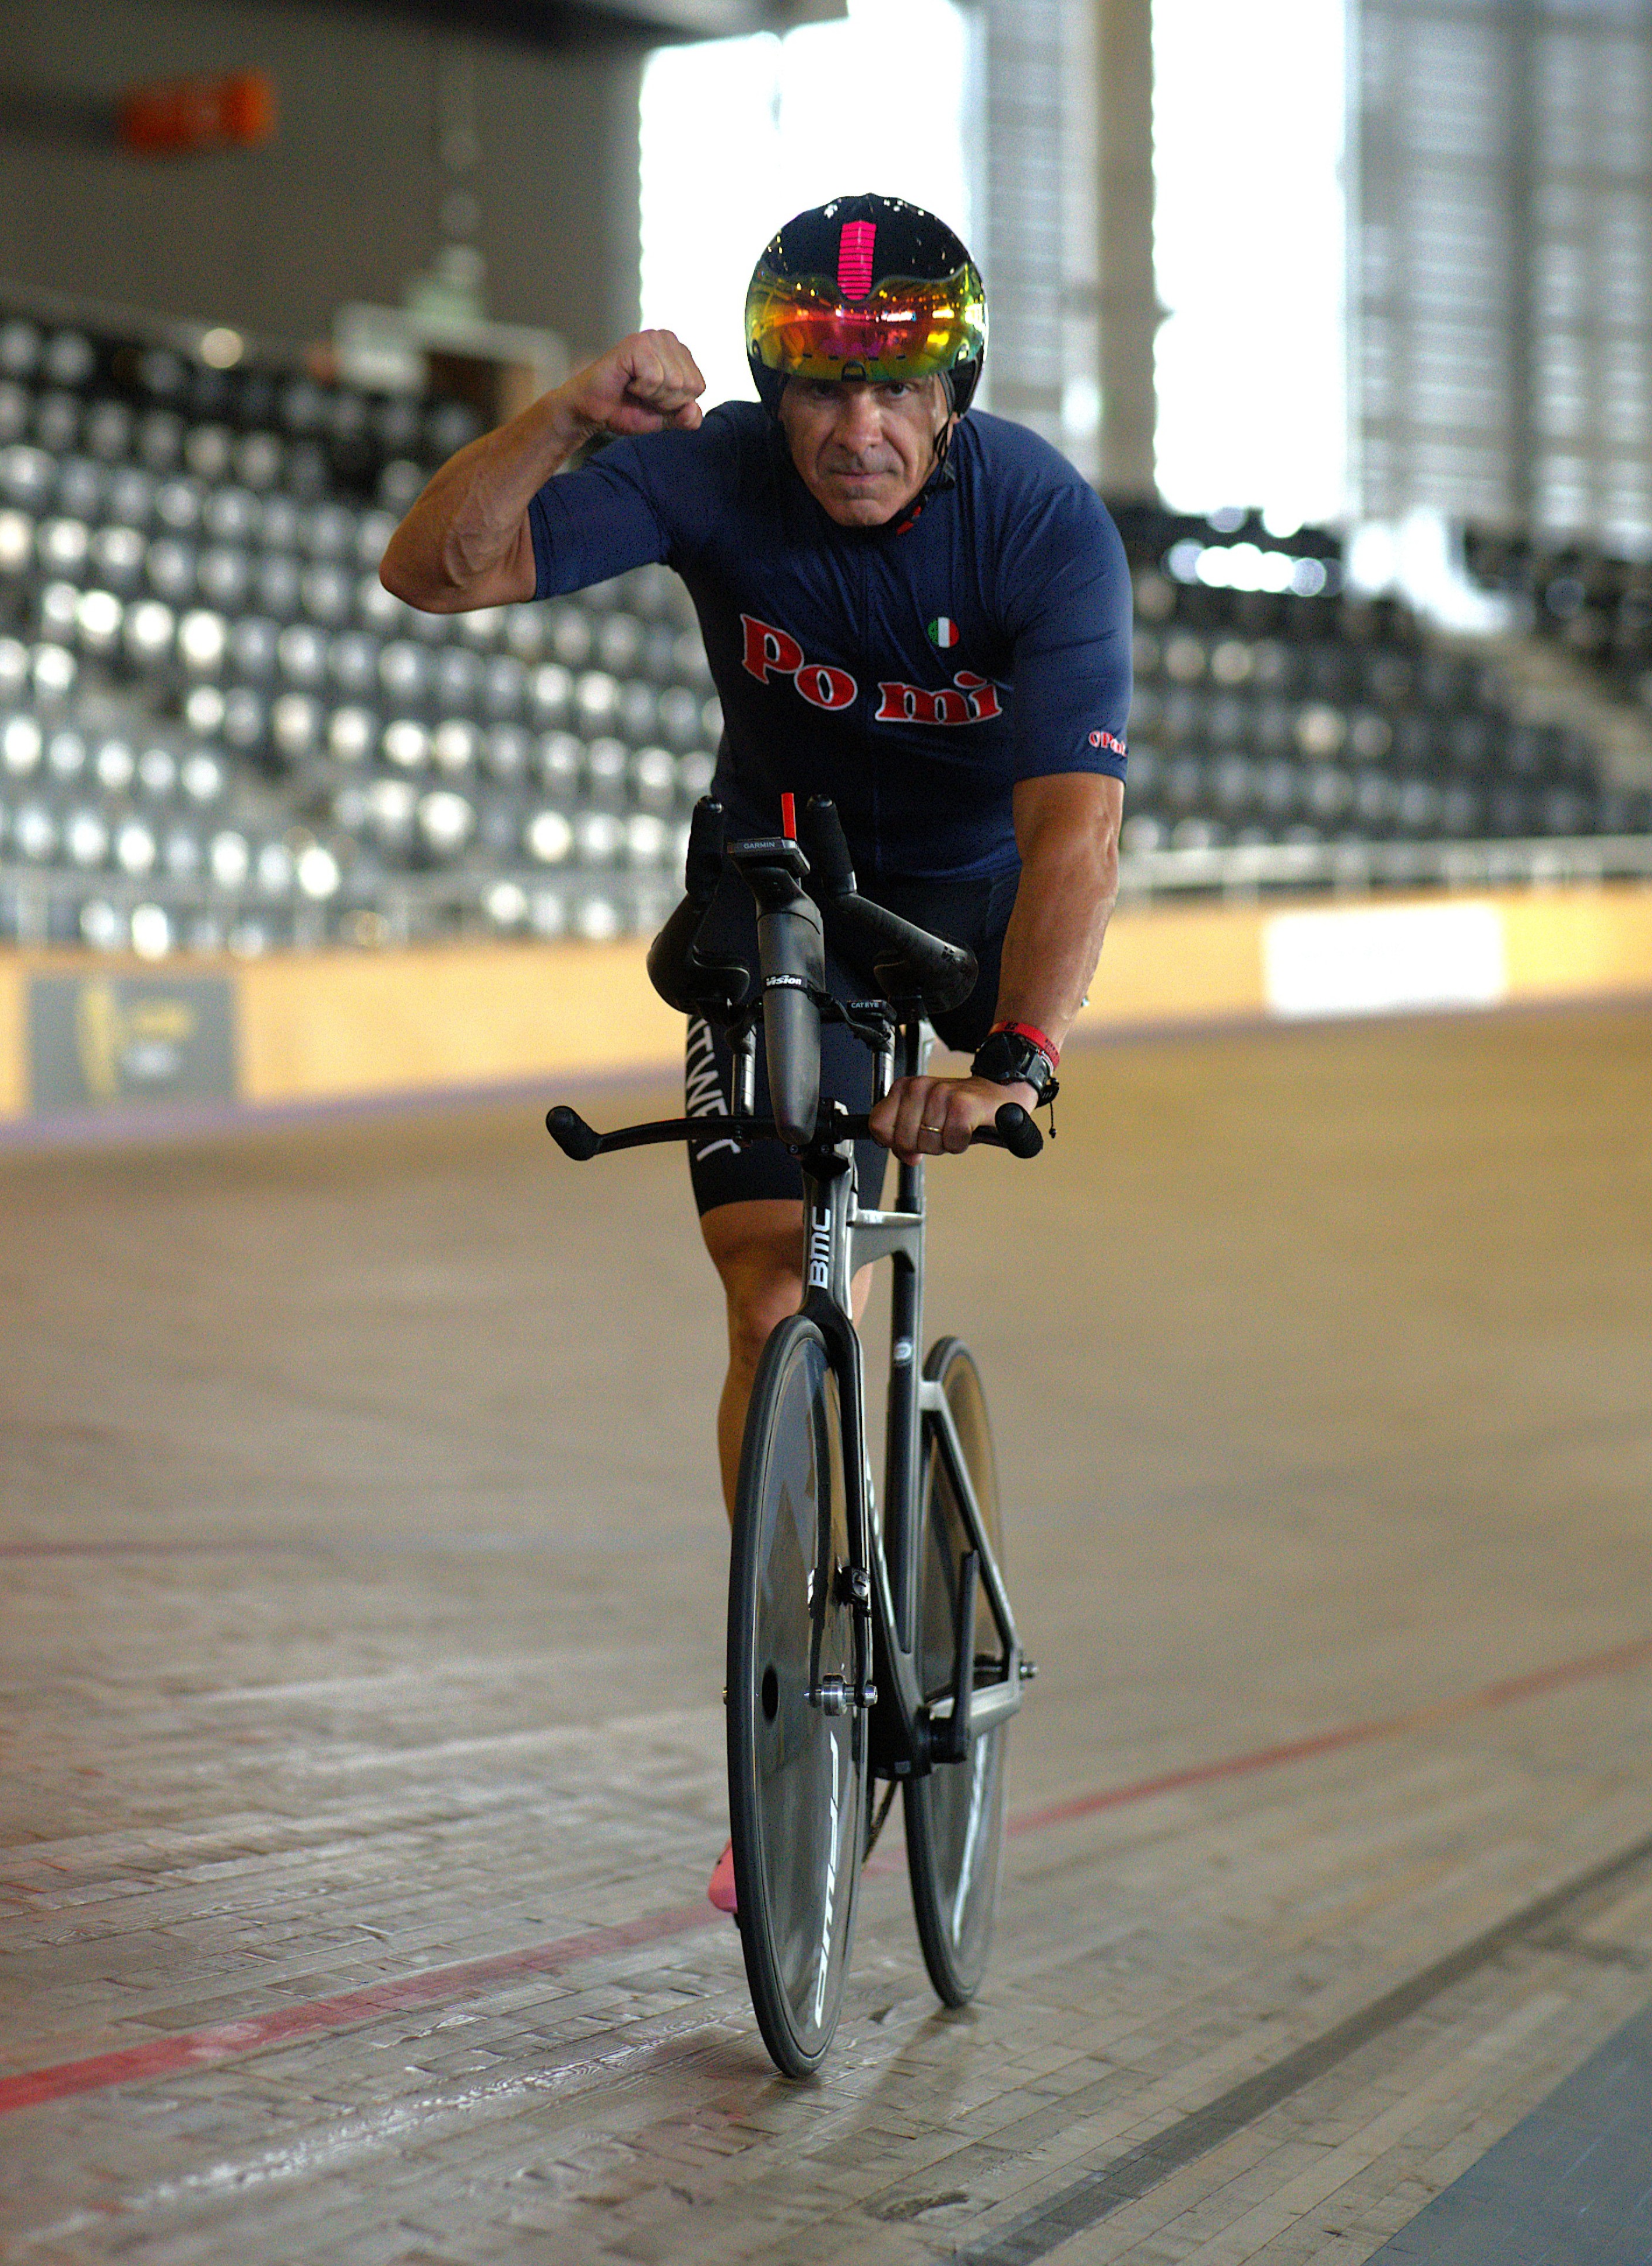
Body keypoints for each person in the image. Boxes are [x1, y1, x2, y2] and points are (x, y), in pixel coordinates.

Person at [382, 194, 1130, 1909]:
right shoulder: (707, 469)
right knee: (769, 1283)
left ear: (953, 398)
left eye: (894, 396)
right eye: (816, 391)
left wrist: (1015, 1058)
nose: (855, 433)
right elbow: (433, 570)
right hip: (783, 882)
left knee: (888, 1167)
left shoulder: (1038, 524)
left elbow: (1079, 830)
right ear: (771, 391)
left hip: (972, 904)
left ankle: (901, 1542)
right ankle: (800, 1672)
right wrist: (567, 415)